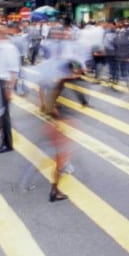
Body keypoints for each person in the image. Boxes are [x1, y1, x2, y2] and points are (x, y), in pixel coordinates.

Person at [36, 58, 86, 201]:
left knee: (62, 155)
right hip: (61, 127)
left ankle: (63, 170)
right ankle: (55, 190)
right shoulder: (62, 83)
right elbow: (51, 106)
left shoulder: (62, 82)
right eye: (75, 71)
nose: (77, 74)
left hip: (60, 125)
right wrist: (57, 120)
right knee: (61, 158)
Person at [0, 27, 21, 153]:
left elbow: (13, 70)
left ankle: (7, 143)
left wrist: (9, 88)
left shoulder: (9, 48)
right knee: (0, 113)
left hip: (4, 83)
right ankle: (0, 135)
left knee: (4, 114)